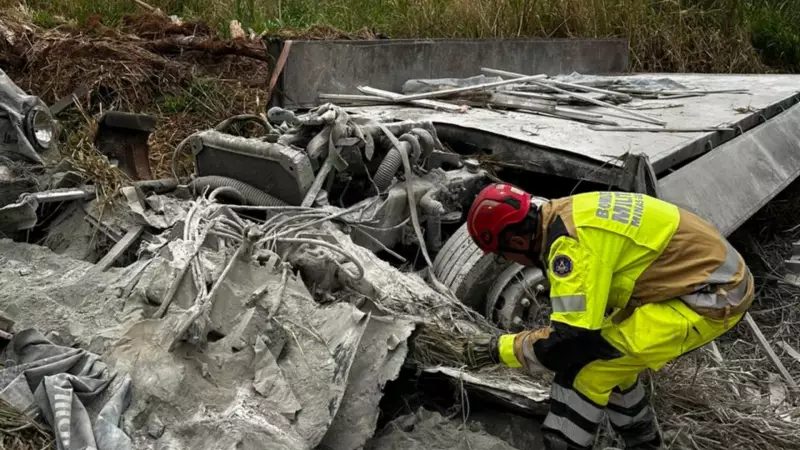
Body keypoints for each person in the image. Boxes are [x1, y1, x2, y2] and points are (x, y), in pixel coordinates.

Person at [462, 183, 754, 450]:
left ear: (515, 241)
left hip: (710, 296)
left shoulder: (569, 245)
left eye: (502, 254)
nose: (507, 260)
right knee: (612, 362)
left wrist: (498, 349)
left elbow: (569, 342)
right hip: (703, 278)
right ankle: (643, 442)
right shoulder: (566, 212)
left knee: (583, 372)